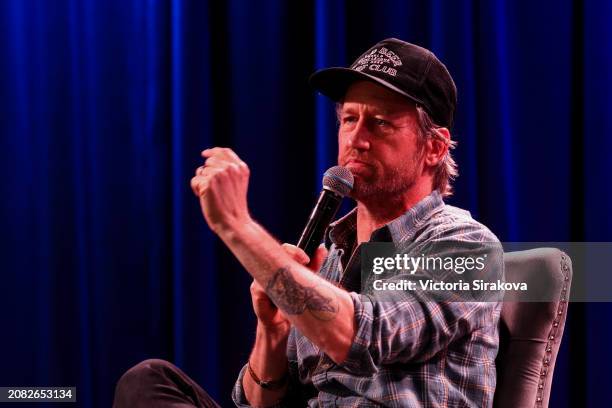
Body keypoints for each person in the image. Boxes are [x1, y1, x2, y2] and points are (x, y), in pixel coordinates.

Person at [113, 38, 503, 408]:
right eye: (349, 119)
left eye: (380, 123)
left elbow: (364, 336)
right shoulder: (329, 258)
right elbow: (258, 402)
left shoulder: (465, 245)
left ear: (434, 147)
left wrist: (237, 225)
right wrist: (273, 332)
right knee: (149, 381)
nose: (356, 139)